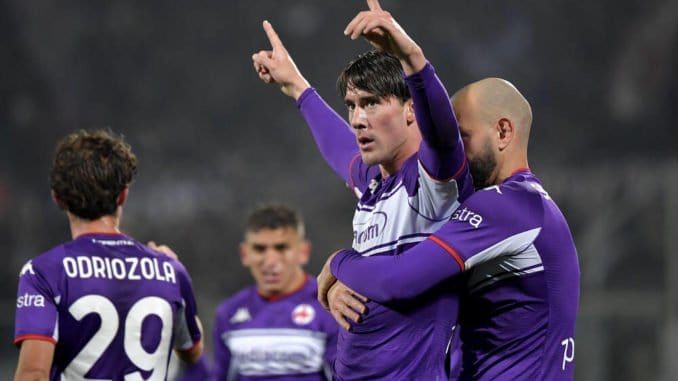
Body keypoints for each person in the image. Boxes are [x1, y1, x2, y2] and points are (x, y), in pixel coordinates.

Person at [251, 0, 473, 378]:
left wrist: (410, 56)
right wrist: (296, 86)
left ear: (410, 110)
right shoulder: (374, 185)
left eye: (370, 104)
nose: (357, 119)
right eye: (352, 106)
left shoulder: (432, 184)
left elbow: (442, 131)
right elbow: (338, 145)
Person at [319, 77, 581, 380]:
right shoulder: (519, 205)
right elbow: (356, 167)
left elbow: (399, 279)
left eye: (462, 137)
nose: (455, 152)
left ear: (503, 131)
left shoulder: (507, 205)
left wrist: (339, 262)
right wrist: (300, 90)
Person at [13, 129, 204, 380]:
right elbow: (192, 352)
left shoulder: (43, 272)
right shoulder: (171, 271)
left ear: (57, 199)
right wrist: (179, 279)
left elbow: (34, 375)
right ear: (123, 194)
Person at [212, 204, 338, 380]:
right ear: (244, 253)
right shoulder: (228, 314)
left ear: (303, 252)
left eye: (281, 248)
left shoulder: (330, 307)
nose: (270, 261)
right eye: (259, 249)